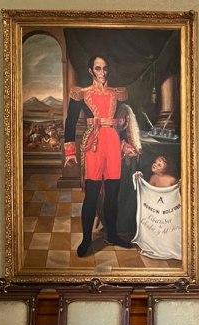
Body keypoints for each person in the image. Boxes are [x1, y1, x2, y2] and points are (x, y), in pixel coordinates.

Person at [63, 55, 138, 257]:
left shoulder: (118, 94)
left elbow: (125, 120)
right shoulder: (81, 93)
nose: (102, 72)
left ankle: (112, 235)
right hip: (93, 145)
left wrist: (126, 143)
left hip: (113, 143)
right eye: (98, 68)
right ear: (91, 71)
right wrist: (69, 152)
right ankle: (87, 239)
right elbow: (70, 123)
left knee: (112, 194)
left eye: (105, 68)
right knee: (92, 195)